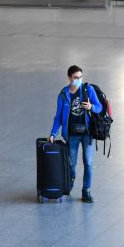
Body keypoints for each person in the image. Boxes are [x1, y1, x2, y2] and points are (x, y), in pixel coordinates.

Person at [48, 65, 103, 203]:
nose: (78, 80)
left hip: (87, 133)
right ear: (69, 78)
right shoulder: (63, 94)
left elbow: (99, 107)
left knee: (88, 163)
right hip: (71, 134)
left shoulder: (88, 90)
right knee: (71, 164)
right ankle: (70, 182)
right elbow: (58, 117)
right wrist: (53, 133)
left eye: (80, 77)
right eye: (76, 78)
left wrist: (91, 107)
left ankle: (86, 190)